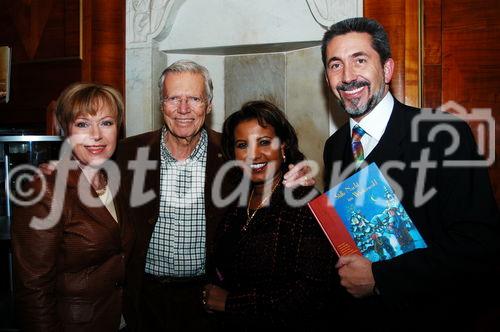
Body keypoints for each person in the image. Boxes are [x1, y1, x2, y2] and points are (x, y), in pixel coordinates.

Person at [321, 17, 500, 330]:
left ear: (387, 70)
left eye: (359, 60)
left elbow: (479, 245)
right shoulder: (334, 147)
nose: (347, 77)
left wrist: (380, 278)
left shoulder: (443, 134)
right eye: (336, 65)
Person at [115, 61, 311, 331]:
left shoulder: (231, 152)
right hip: (145, 298)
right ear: (161, 105)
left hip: (208, 300)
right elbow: (89, 173)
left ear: (208, 105)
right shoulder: (127, 153)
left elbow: (268, 166)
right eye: (174, 98)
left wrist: (297, 174)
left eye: (194, 98)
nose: (183, 109)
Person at [203, 100, 337, 330]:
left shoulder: (307, 203)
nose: (253, 155)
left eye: (264, 142)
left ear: (283, 146)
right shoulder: (236, 201)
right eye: (242, 145)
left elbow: (310, 294)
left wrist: (229, 303)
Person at [12, 82, 133, 331]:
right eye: (82, 124)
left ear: (118, 129)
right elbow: (33, 290)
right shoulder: (44, 189)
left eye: (106, 123)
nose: (96, 134)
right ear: (66, 131)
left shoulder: (115, 180)